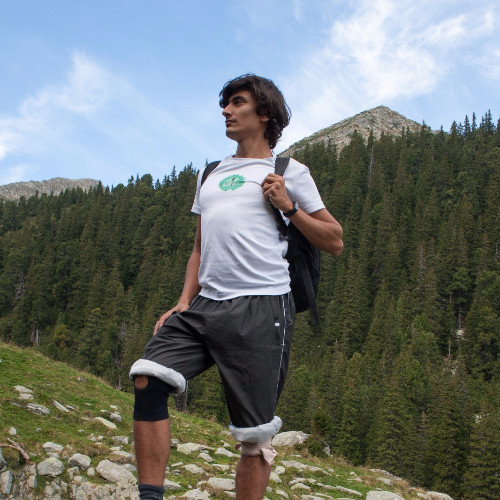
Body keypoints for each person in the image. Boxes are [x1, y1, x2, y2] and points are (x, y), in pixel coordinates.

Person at [129, 74, 343, 500]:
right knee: (147, 378)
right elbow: (199, 247)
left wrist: (289, 207)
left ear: (264, 114)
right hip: (204, 307)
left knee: (254, 435)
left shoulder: (289, 172)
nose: (226, 111)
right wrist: (183, 300)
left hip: (263, 308)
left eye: (237, 102)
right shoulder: (210, 173)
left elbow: (334, 240)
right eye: (225, 104)